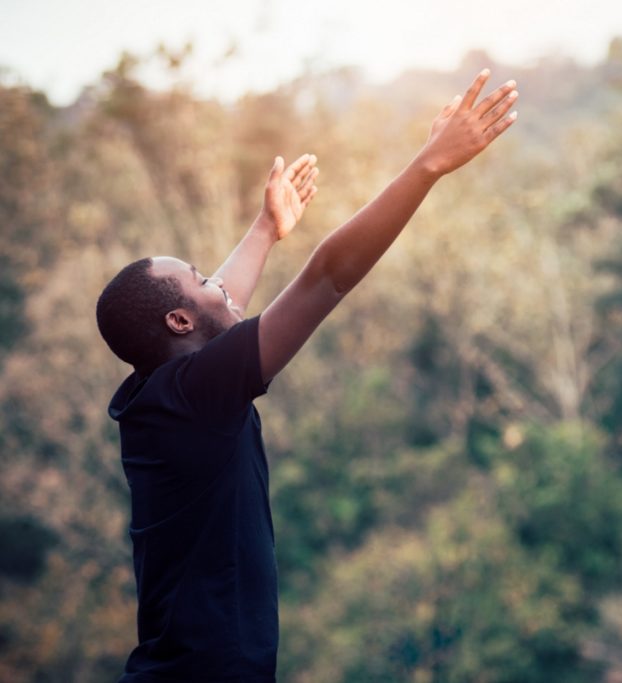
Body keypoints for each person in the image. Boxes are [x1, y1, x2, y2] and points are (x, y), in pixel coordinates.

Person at [96, 70, 518, 683]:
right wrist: (428, 165)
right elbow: (326, 276)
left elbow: (217, 310)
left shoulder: (158, 396)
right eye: (200, 276)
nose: (219, 281)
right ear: (180, 318)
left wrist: (265, 230)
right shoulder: (195, 396)